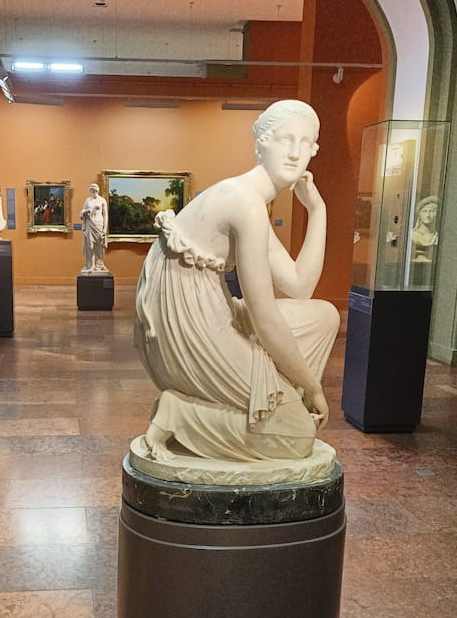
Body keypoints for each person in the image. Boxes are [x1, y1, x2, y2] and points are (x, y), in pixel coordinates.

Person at [134, 99, 340, 464]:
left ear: (314, 151)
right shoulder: (244, 202)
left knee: (324, 316)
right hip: (189, 328)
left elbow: (300, 286)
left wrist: (317, 209)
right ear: (262, 142)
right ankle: (179, 413)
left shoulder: (249, 200)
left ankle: (274, 400)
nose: (295, 153)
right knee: (298, 437)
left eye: (305, 143)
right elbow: (265, 317)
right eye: (285, 139)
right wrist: (312, 387)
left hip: (212, 311)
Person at [80, 183, 109, 273]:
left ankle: (99, 265)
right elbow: (82, 213)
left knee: (99, 246)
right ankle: (90, 265)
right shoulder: (87, 200)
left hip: (99, 225)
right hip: (89, 224)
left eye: (95, 190)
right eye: (92, 190)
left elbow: (105, 215)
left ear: (98, 190)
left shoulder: (102, 200)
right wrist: (88, 210)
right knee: (89, 245)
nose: (93, 192)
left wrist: (105, 228)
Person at [411, 196, 439, 262]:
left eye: (432, 211)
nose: (428, 215)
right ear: (419, 213)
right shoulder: (413, 235)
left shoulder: (437, 236)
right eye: (424, 211)